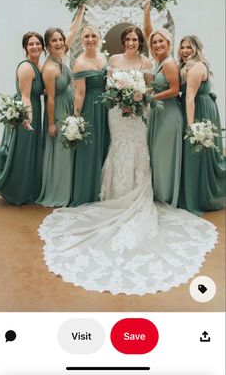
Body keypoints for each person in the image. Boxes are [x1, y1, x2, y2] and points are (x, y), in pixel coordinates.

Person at [38, 26, 217, 296]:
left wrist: (137, 97)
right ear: (122, 42)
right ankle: (115, 191)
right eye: (128, 39)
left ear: (139, 43)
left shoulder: (148, 62)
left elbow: (148, 87)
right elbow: (109, 85)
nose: (132, 42)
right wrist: (120, 96)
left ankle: (136, 190)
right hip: (116, 112)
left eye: (136, 39)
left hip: (138, 112)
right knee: (118, 146)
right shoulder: (112, 61)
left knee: (137, 147)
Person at [36, 4, 86, 207]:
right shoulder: (49, 68)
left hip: (68, 105)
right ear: (47, 45)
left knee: (70, 147)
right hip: (57, 110)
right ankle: (59, 190)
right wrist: (51, 124)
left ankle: (71, 188)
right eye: (53, 41)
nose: (58, 43)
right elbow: (50, 98)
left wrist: (81, 10)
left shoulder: (61, 56)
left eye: (60, 39)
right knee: (61, 152)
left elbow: (73, 31)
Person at [0, 32, 44, 205]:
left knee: (28, 151)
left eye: (37, 43)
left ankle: (27, 188)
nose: (34, 46)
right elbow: (26, 96)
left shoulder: (38, 66)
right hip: (25, 112)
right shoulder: (26, 67)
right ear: (25, 48)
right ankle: (17, 190)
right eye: (31, 44)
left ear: (42, 46)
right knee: (22, 152)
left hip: (32, 108)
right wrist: (28, 118)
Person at [177, 35, 226, 214]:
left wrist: (191, 127)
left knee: (198, 152)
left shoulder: (196, 67)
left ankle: (200, 195)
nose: (184, 51)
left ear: (197, 49)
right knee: (201, 153)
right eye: (182, 47)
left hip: (198, 112)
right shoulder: (186, 66)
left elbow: (190, 97)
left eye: (189, 47)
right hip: (199, 107)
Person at [143, 0, 183, 206]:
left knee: (163, 153)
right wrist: (147, 11)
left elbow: (175, 90)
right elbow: (148, 31)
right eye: (155, 42)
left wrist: (150, 97)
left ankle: (166, 195)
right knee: (156, 154)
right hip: (158, 113)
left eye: (162, 42)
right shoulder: (157, 60)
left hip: (169, 114)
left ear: (169, 44)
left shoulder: (168, 63)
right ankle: (158, 192)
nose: (158, 45)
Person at [69, 24, 110, 206]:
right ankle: (86, 192)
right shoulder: (80, 63)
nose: (90, 39)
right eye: (86, 36)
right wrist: (76, 119)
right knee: (89, 149)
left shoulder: (103, 58)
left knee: (104, 145)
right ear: (81, 40)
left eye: (93, 36)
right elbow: (79, 94)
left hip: (105, 107)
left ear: (99, 37)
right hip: (90, 109)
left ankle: (102, 189)